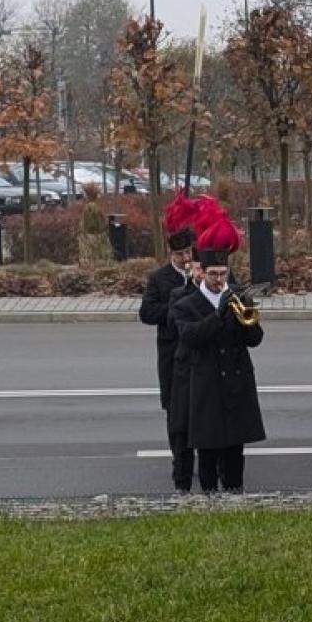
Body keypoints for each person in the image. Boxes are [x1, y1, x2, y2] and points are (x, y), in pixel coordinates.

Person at [170, 210, 265, 493]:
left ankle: (235, 494)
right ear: (202, 272)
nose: (219, 279)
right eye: (213, 274)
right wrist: (217, 316)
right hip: (206, 386)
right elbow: (191, 338)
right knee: (208, 452)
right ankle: (209, 498)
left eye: (223, 274)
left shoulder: (237, 296)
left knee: (235, 450)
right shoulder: (185, 304)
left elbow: (255, 339)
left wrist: (246, 318)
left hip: (236, 383)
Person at [142, 196, 211, 491]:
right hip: (172, 352)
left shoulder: (204, 272)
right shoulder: (160, 278)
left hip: (198, 350)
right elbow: (147, 313)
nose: (185, 258)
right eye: (180, 253)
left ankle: (205, 456)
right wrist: (177, 309)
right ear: (172, 253)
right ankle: (180, 458)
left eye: (188, 252)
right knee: (175, 410)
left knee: (202, 405)